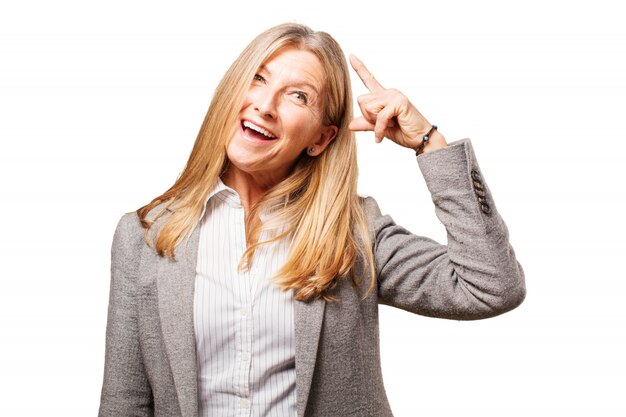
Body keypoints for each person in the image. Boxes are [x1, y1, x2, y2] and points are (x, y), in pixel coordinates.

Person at [98, 22, 525, 417]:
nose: (265, 105)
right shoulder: (143, 236)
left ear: (321, 138)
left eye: (297, 95)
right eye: (258, 78)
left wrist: (429, 144)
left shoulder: (354, 232)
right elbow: (124, 402)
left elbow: (490, 287)